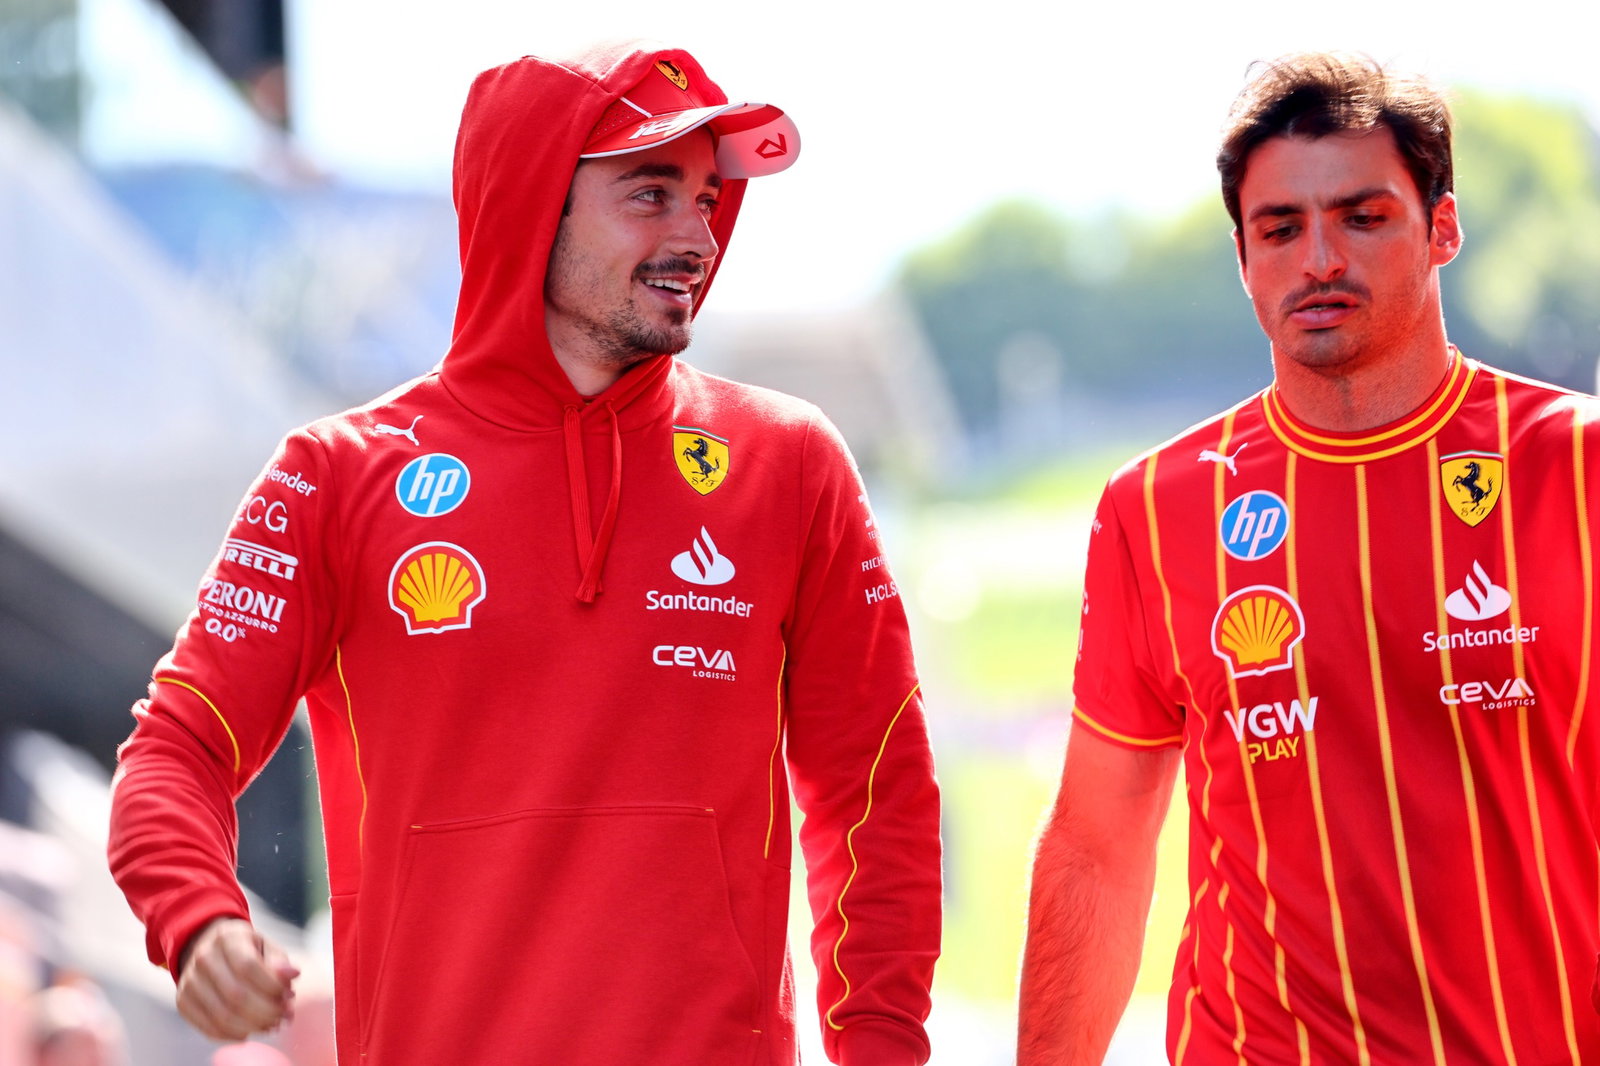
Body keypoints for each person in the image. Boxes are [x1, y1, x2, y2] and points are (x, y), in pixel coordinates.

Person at [107, 41, 941, 1066]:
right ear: (532, 201)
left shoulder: (791, 461)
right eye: (651, 194)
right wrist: (196, 917)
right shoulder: (333, 476)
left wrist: (881, 1047)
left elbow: (875, 797)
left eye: (706, 199)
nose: (697, 235)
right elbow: (174, 752)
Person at [1018, 52, 1600, 1063]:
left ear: (1442, 228)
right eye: (1280, 228)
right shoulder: (1153, 508)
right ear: (1243, 257)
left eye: (1362, 218)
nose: (1319, 259)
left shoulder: (1577, 465)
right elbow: (1097, 847)